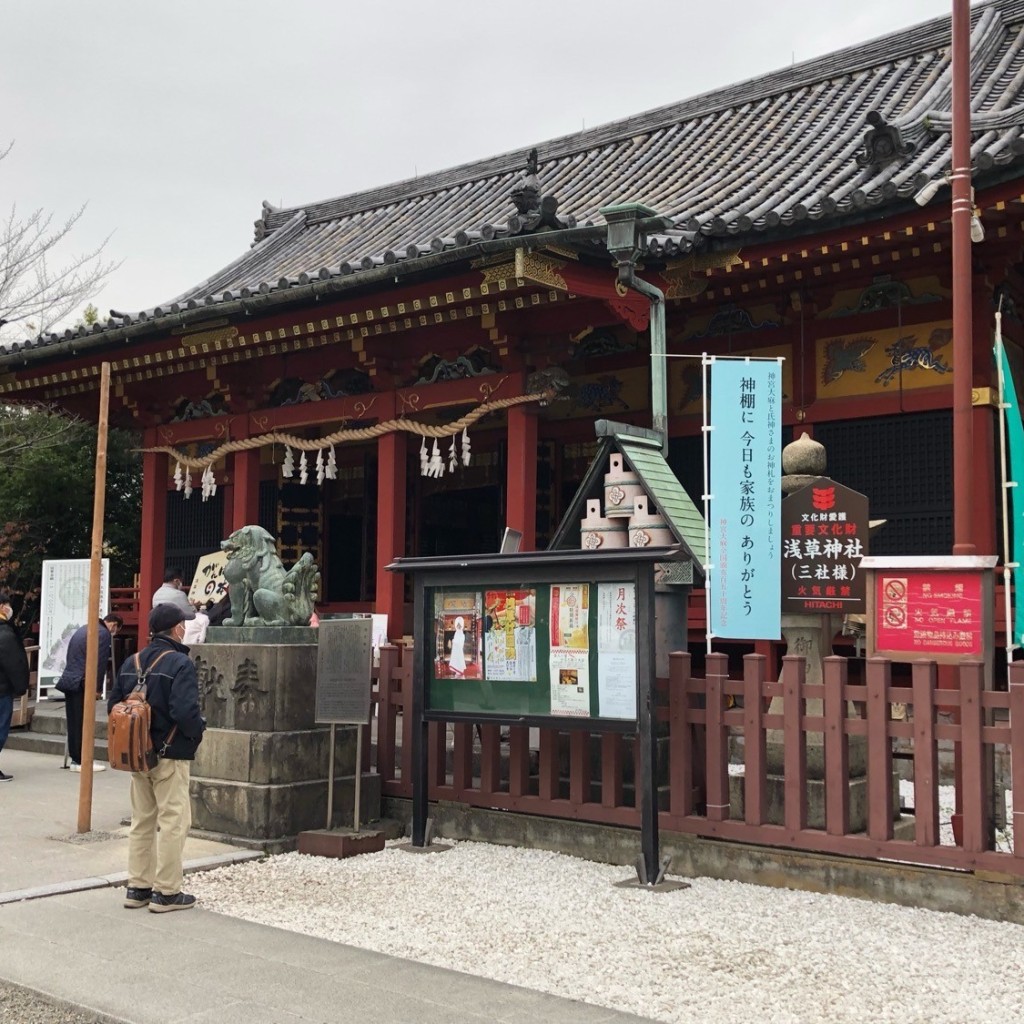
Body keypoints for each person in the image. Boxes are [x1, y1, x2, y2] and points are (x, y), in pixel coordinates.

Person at [107, 603, 206, 913]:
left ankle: (137, 887)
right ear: (176, 628)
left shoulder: (131, 662)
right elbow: (185, 712)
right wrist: (197, 733)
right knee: (174, 821)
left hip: (137, 755)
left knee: (142, 822)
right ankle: (166, 892)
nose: (185, 628)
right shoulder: (179, 663)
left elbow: (113, 704)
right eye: (183, 624)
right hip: (170, 754)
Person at [56, 613, 123, 771]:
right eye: (116, 630)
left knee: (74, 721)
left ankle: (75, 759)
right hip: (82, 681)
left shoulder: (85, 628)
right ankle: (81, 760)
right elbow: (98, 662)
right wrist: (97, 688)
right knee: (83, 722)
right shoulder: (103, 633)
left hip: (70, 678)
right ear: (113, 625)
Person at [0, 592, 29, 782]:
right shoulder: (4, 633)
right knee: (0, 726)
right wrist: (21, 686)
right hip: (1, 689)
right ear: (2, 606)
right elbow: (14, 663)